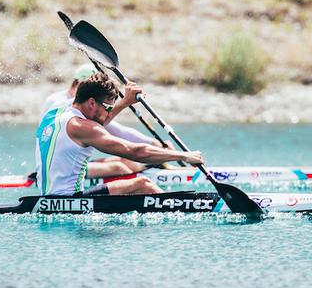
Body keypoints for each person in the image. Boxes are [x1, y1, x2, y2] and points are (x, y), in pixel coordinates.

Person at [35, 73, 204, 196]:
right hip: (69, 202)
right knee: (143, 185)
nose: (108, 114)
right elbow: (135, 152)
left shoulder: (55, 114)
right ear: (92, 102)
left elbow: (99, 120)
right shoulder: (83, 128)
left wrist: (124, 103)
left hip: (49, 198)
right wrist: (183, 156)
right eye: (107, 108)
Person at [43, 64, 161, 178]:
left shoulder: (85, 107)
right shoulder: (59, 103)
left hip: (73, 160)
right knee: (119, 168)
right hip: (58, 168)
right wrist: (124, 102)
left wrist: (153, 143)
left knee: (125, 161)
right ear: (80, 84)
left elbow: (118, 130)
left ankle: (160, 168)